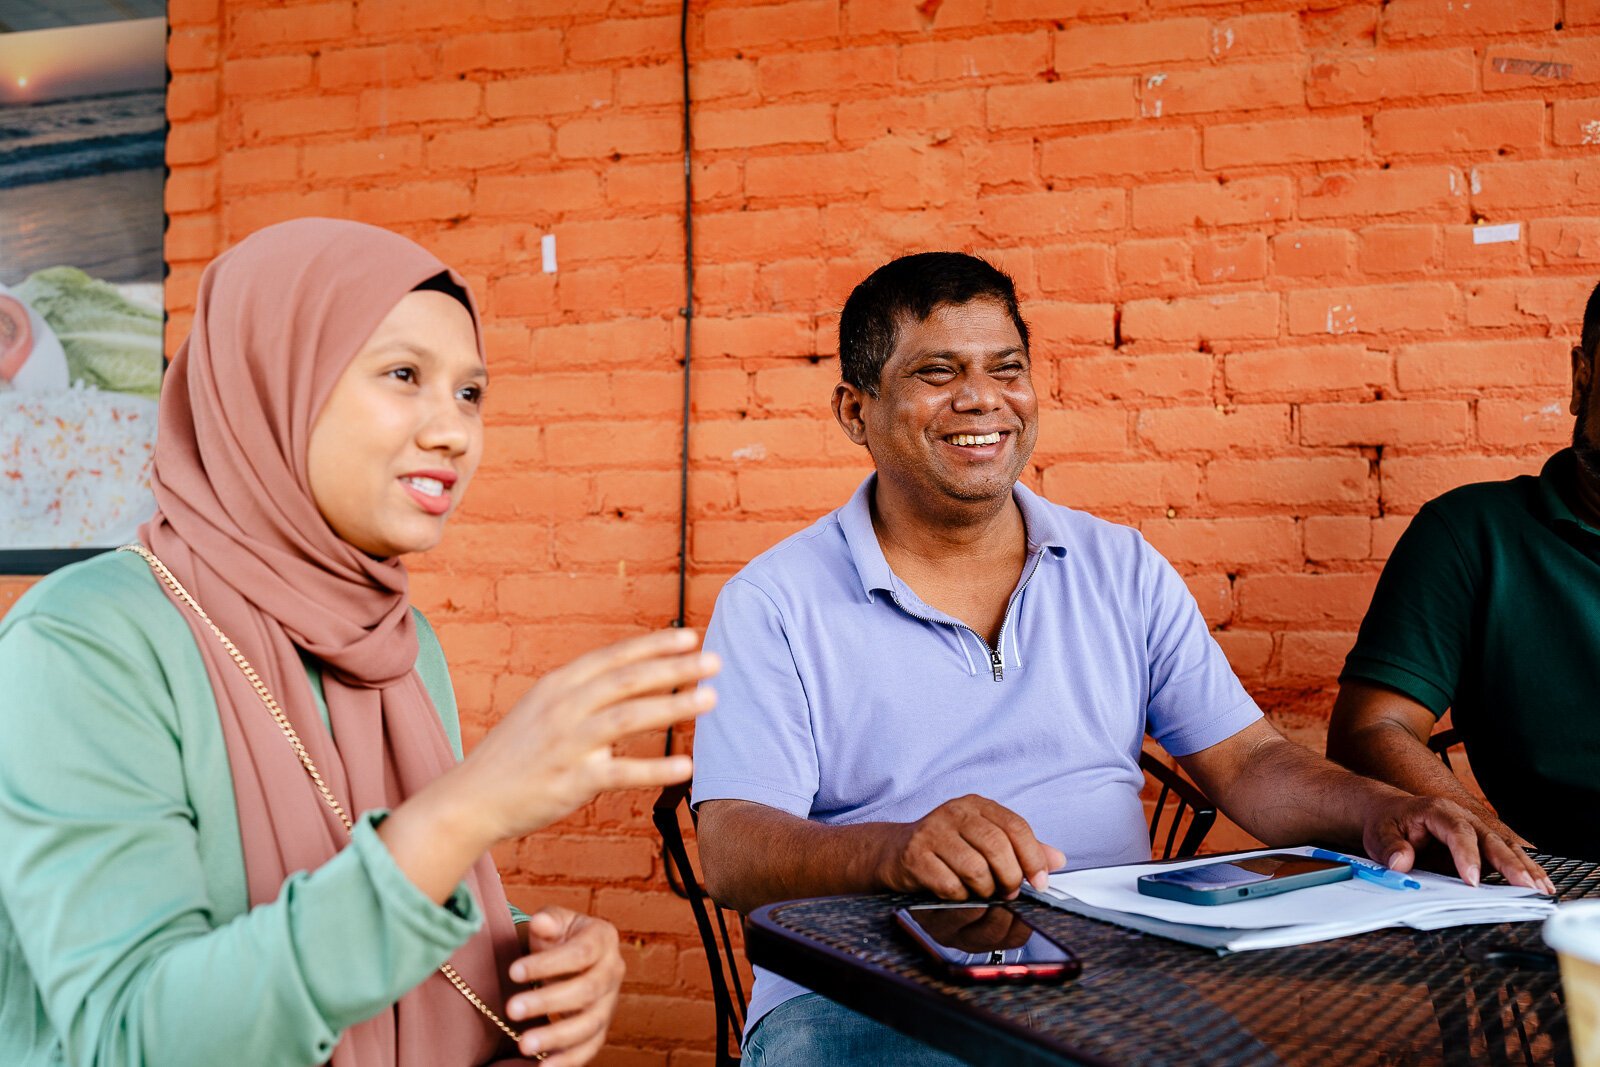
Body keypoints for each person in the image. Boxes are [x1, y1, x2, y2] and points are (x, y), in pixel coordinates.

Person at [688, 252, 1553, 1065]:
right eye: (937, 372)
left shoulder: (1119, 566)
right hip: (859, 994)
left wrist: (1380, 810)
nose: (983, 400)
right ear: (855, 410)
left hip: (1110, 979)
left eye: (1007, 368)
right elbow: (730, 848)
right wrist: (891, 852)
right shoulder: (776, 601)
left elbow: (1248, 763)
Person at [0, 218, 719, 1067]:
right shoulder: (83, 644)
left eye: (469, 392)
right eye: (404, 374)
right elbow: (135, 1037)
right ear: (273, 383)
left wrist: (528, 955)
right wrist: (471, 806)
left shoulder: (400, 644)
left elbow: (363, 878)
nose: (453, 430)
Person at [1327, 281, 1600, 863]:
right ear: (1583, 379)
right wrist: (1490, 834)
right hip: (1553, 893)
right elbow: (1370, 728)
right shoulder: (1473, 533)